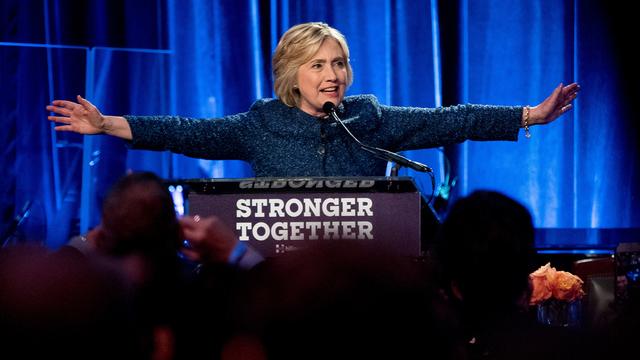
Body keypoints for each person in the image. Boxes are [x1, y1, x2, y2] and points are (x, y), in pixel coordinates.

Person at [46, 22, 579, 177]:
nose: (333, 75)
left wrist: (530, 114)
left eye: (339, 63)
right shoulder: (260, 123)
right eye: (319, 64)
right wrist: (108, 123)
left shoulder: (366, 117)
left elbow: (451, 120)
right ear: (290, 73)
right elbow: (188, 133)